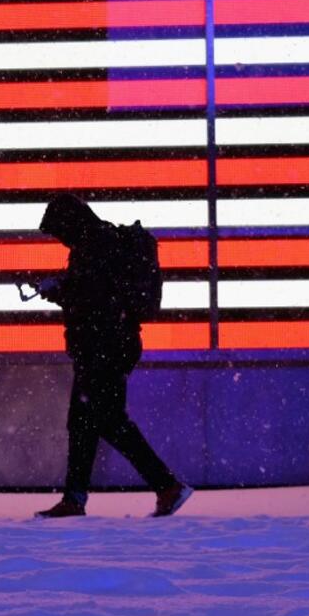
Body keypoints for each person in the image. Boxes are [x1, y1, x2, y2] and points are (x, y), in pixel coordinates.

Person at [32, 193, 192, 519]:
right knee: (87, 422)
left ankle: (166, 485)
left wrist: (57, 290)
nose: (60, 239)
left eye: (59, 231)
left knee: (105, 421)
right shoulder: (97, 242)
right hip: (108, 347)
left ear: (70, 223)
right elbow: (96, 294)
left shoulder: (95, 245)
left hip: (104, 348)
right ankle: (76, 498)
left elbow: (93, 298)